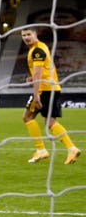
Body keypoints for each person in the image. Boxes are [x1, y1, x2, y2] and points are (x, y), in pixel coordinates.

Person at [21, 27, 81, 164]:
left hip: (44, 90)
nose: (26, 37)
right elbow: (45, 69)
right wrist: (32, 77)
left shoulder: (37, 51)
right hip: (52, 88)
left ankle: (43, 150)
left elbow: (38, 74)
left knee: (28, 117)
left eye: (29, 34)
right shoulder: (41, 47)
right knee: (49, 122)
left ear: (35, 34)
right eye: (23, 35)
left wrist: (36, 95)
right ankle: (70, 148)